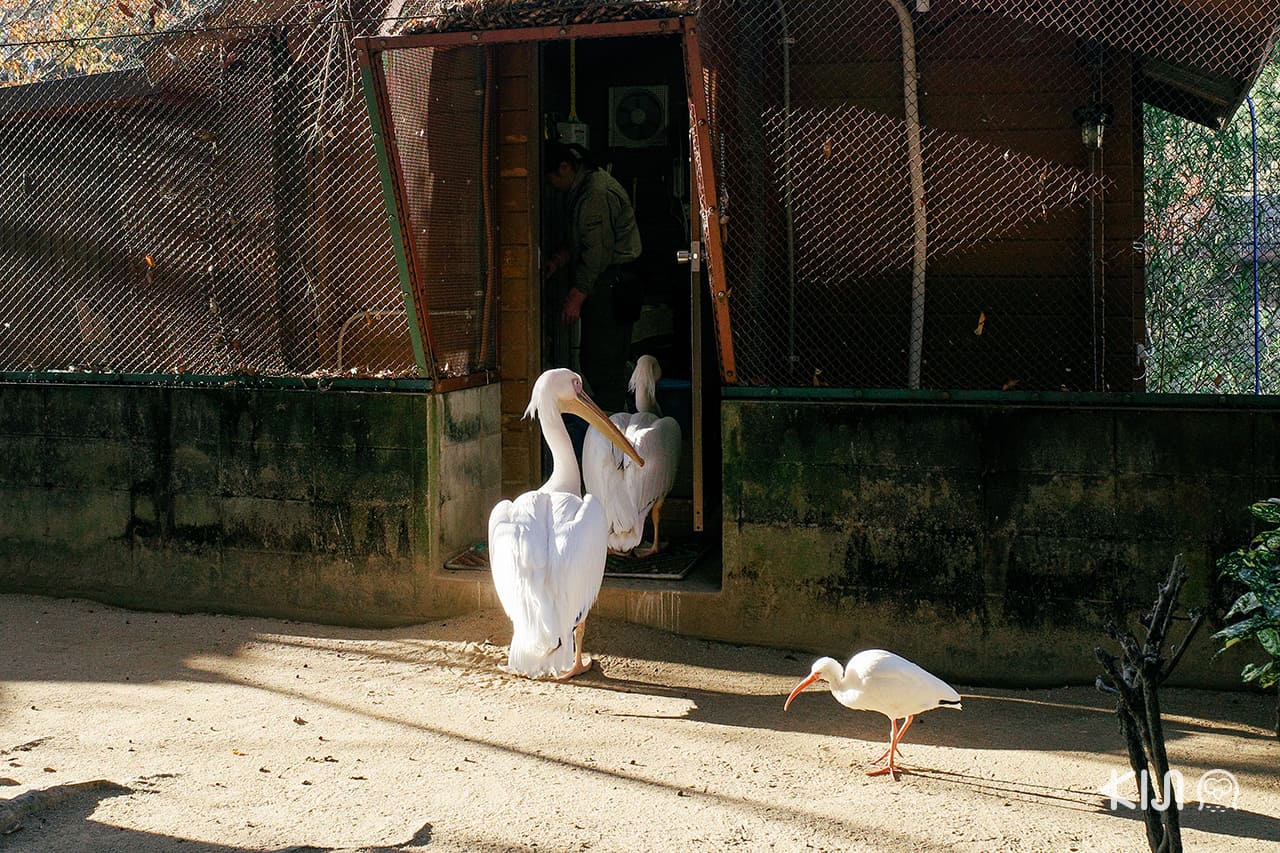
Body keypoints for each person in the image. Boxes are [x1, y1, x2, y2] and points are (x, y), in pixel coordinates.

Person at [543, 142, 643, 412]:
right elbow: (583, 240)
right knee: (599, 359)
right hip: (608, 283)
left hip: (612, 284)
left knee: (603, 362)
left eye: (552, 180)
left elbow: (597, 252)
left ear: (564, 168)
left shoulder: (594, 194)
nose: (553, 187)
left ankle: (611, 427)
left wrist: (576, 296)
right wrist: (558, 260)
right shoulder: (585, 189)